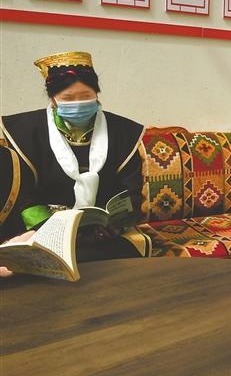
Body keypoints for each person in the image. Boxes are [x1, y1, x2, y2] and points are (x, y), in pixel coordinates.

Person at [0, 51, 146, 261]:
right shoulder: (25, 132)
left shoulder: (124, 132)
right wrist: (51, 229)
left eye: (86, 96)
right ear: (53, 99)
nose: (78, 103)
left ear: (97, 95)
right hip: (44, 228)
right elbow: (23, 196)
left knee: (124, 253)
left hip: (103, 234)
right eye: (68, 98)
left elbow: (131, 192)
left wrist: (116, 224)